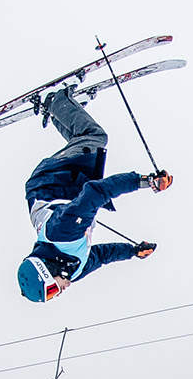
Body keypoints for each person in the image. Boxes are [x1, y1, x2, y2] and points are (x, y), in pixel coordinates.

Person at [15, 91, 172, 304]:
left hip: (52, 181)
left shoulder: (62, 232)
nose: (59, 292)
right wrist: (132, 251)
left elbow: (97, 192)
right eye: (52, 295)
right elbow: (101, 257)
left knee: (95, 137)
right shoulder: (74, 270)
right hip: (71, 190)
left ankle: (55, 101)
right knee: (84, 143)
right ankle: (59, 111)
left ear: (47, 271)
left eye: (52, 289)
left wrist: (146, 181)